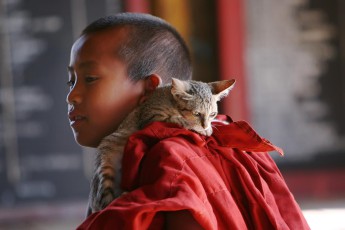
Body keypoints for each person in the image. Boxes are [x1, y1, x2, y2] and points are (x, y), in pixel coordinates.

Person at [67, 13, 310, 229]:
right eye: (71, 81)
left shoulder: (168, 161)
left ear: (150, 90)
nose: (72, 95)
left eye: (89, 78)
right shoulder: (231, 144)